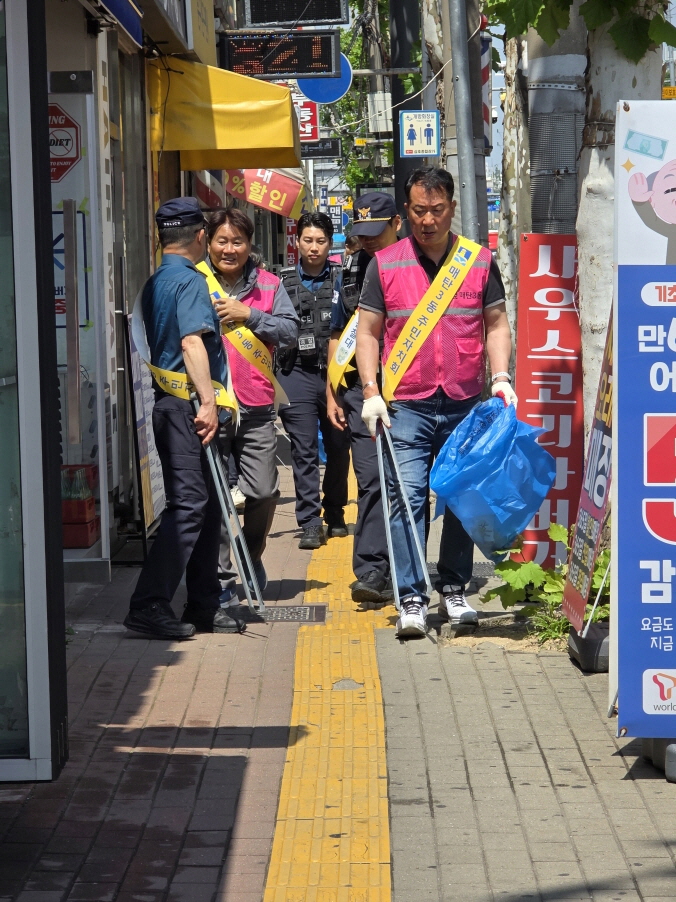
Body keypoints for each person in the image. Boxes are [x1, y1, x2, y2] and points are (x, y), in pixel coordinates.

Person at [355, 167, 517, 638]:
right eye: (420, 211)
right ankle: (411, 596)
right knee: (406, 501)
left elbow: (496, 322)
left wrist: (502, 377)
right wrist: (370, 391)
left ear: (451, 208)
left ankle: (454, 588)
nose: (429, 220)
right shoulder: (384, 264)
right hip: (405, 404)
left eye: (438, 210)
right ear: (406, 212)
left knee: (463, 498)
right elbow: (367, 333)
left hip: (465, 402)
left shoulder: (479, 260)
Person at [124, 197, 245, 639]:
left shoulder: (157, 281)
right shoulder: (191, 282)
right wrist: (209, 403)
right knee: (191, 504)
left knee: (208, 504)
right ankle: (149, 603)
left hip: (168, 406)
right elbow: (193, 343)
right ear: (199, 237)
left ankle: (203, 604)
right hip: (187, 408)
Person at [202, 208, 298, 607]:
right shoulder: (195, 282)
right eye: (221, 241)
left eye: (237, 241)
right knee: (218, 495)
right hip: (211, 407)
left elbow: (291, 331)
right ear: (208, 243)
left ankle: (251, 555)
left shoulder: (271, 286)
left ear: (249, 245)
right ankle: (223, 579)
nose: (229, 249)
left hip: (257, 406)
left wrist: (252, 315)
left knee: (264, 491)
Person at [326, 192, 402, 604]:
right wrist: (331, 391)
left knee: (403, 481)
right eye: (362, 233)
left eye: (377, 232)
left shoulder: (415, 266)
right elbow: (338, 334)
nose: (369, 240)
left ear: (397, 224)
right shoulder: (351, 270)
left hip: (410, 391)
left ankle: (406, 567)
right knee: (371, 479)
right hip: (359, 391)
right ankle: (372, 570)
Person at [278, 212, 351, 549]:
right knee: (304, 450)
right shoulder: (281, 282)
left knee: (338, 448)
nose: (313, 247)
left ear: (329, 242)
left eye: (320, 240)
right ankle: (309, 521)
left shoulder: (344, 278)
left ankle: (334, 513)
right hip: (297, 374)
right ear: (297, 242)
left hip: (338, 376)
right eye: (307, 240)